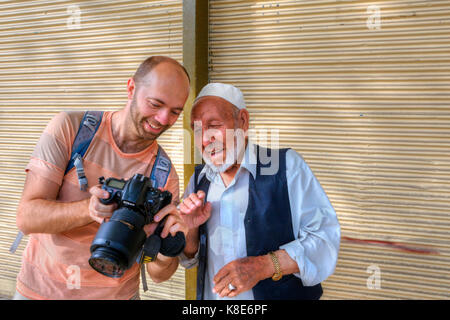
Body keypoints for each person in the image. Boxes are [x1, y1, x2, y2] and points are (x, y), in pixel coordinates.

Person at [13, 56, 190, 300]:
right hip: (40, 293)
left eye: (174, 112)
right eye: (155, 104)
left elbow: (158, 274)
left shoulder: (163, 174)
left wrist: (167, 249)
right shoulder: (72, 129)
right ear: (131, 88)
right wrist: (89, 209)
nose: (162, 119)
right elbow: (26, 217)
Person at [179, 83, 341, 300]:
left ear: (243, 121)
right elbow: (189, 259)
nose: (205, 139)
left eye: (214, 125)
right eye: (197, 130)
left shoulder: (286, 167)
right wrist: (190, 230)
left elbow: (325, 239)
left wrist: (263, 265)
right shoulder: (199, 180)